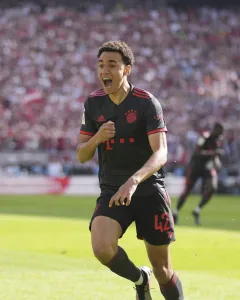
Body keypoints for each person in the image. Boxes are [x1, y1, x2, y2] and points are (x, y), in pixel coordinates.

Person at [77, 40, 184, 300]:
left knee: (163, 269)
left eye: (112, 65)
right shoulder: (93, 104)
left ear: (127, 70)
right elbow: (82, 154)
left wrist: (134, 181)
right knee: (102, 248)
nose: (105, 70)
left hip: (148, 189)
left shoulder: (147, 103)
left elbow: (161, 153)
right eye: (101, 65)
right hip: (113, 190)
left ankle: (156, 280)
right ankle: (140, 279)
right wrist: (97, 138)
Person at [172, 123, 224, 225]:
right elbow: (196, 152)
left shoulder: (217, 141)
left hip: (207, 168)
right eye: (220, 132)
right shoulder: (204, 137)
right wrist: (212, 154)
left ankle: (197, 210)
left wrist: (217, 162)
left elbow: (215, 155)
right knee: (187, 190)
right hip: (195, 167)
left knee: (212, 187)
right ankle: (175, 212)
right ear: (216, 130)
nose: (220, 136)